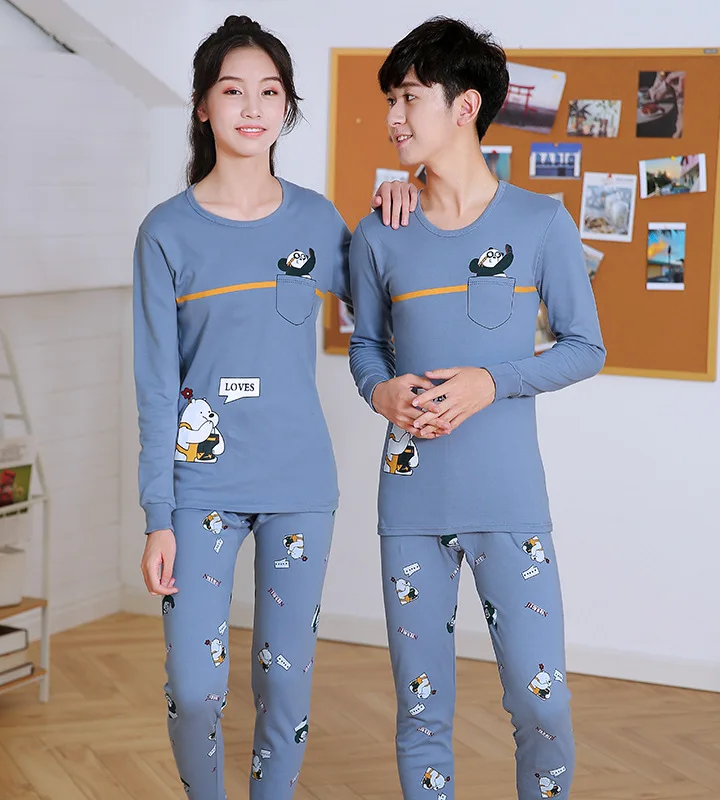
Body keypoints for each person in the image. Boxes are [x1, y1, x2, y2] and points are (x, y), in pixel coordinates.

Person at [132, 15, 415, 800]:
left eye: (269, 92)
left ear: (286, 108)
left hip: (298, 484)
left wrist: (406, 197)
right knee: (196, 689)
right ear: (203, 106)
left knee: (284, 685)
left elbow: (389, 306)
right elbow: (154, 384)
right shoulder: (165, 233)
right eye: (232, 91)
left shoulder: (318, 221)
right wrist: (158, 515)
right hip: (200, 489)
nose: (251, 108)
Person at [347, 17, 606, 800]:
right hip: (411, 499)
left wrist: (493, 382)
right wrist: (380, 390)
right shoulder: (380, 232)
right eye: (390, 100)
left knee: (541, 703)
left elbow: (585, 347)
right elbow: (368, 348)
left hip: (508, 498)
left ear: (464, 107)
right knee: (421, 711)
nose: (394, 116)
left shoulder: (540, 222)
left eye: (409, 97)